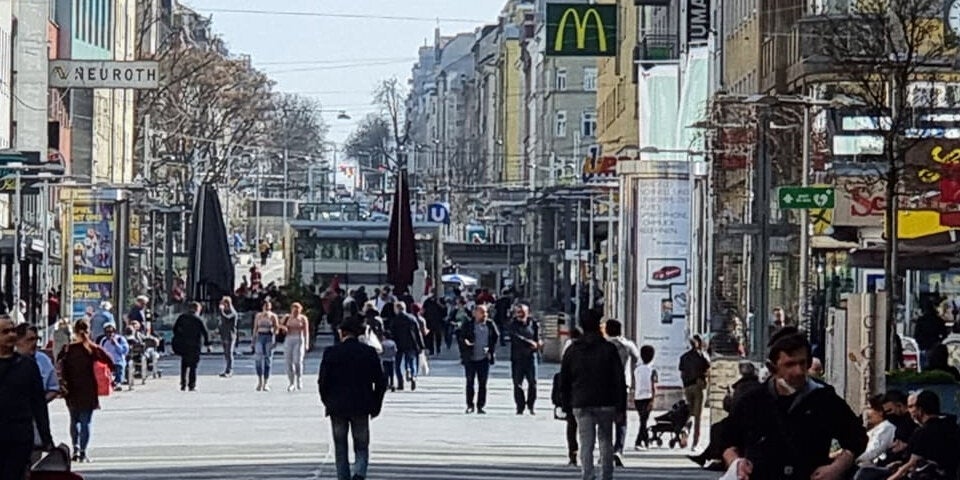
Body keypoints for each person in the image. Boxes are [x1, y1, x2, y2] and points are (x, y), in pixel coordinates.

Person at [719, 326, 867, 480]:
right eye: (790, 365)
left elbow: (857, 438)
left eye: (803, 363)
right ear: (772, 368)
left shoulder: (824, 398)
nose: (799, 371)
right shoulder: (752, 400)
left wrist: (836, 468)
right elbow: (726, 439)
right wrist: (736, 463)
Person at [559, 309, 626, 480]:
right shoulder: (609, 349)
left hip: (581, 401)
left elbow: (564, 379)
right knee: (606, 441)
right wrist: (621, 407)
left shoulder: (573, 350)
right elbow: (619, 379)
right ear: (598, 325)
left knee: (586, 442)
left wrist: (566, 405)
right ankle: (606, 475)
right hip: (606, 401)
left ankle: (588, 475)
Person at [318, 317, 387, 480]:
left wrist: (327, 401)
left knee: (340, 446)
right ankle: (359, 473)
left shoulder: (331, 352)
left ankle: (343, 476)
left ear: (342, 332)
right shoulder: (368, 352)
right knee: (361, 445)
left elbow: (323, 381)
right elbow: (381, 381)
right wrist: (376, 404)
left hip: (337, 406)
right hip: (362, 405)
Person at [0, 316, 54, 479]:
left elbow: (38, 404)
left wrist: (46, 438)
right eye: (5, 332)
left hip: (19, 437)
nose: (11, 335)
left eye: (13, 331)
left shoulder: (27, 365)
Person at [58, 319, 113, 463]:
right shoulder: (91, 348)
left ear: (74, 331)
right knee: (85, 421)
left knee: (74, 419)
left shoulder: (67, 349)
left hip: (71, 389)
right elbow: (110, 361)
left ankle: (75, 449)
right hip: (88, 389)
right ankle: (83, 452)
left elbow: (58, 362)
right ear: (89, 330)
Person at [886, 390, 960, 480]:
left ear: (920, 410)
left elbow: (912, 464)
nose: (910, 411)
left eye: (912, 407)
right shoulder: (952, 426)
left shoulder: (923, 432)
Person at [605, 318, 639, 466]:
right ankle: (618, 449)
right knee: (621, 419)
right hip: (623, 385)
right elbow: (637, 358)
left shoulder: (604, 345)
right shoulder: (627, 345)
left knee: (605, 419)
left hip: (605, 385)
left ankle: (606, 451)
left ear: (607, 330)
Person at [458, 304, 500, 414]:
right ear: (475, 313)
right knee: (470, 382)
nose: (484, 314)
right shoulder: (468, 324)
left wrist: (491, 349)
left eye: (485, 312)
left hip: (484, 358)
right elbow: (461, 337)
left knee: (483, 383)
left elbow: (496, 336)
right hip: (471, 358)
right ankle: (470, 405)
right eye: (481, 312)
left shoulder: (490, 324)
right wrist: (465, 343)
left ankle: (480, 406)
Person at [509, 304, 541, 415]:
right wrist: (530, 343)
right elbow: (516, 337)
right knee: (518, 383)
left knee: (533, 383)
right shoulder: (513, 325)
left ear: (527, 313)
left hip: (531, 357)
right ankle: (520, 406)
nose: (520, 314)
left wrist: (539, 342)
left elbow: (538, 336)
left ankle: (531, 405)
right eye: (518, 312)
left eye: (522, 312)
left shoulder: (534, 324)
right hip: (518, 358)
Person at [678, 336, 710, 448]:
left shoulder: (684, 357)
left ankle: (685, 429)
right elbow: (708, 367)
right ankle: (695, 443)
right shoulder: (702, 356)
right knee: (698, 416)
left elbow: (682, 373)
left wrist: (685, 385)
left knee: (690, 413)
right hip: (699, 387)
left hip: (687, 387)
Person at [15, 324, 59, 403]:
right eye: (30, 339)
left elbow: (53, 388)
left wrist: (40, 403)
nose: (34, 343)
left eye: (37, 339)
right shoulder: (9, 361)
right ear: (18, 340)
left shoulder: (43, 360)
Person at [172, 302, 210, 392]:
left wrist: (179, 337)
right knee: (193, 366)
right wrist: (207, 344)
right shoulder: (198, 319)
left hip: (184, 344)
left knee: (184, 365)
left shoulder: (182, 318)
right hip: (195, 345)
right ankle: (191, 385)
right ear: (197, 309)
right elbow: (205, 332)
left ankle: (183, 383)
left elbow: (175, 329)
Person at [390, 301, 425, 391]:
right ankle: (412, 375)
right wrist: (421, 345)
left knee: (397, 365)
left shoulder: (395, 320)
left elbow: (392, 333)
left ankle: (400, 383)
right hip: (411, 344)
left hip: (398, 344)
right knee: (411, 361)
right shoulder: (412, 318)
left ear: (397, 309)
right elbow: (418, 333)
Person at [562, 326, 583, 466]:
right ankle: (587, 453)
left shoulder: (569, 350)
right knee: (588, 427)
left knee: (572, 425)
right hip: (588, 395)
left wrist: (563, 401)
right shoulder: (593, 349)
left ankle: (573, 452)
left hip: (572, 395)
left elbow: (564, 376)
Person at [633, 345, 657, 451]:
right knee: (643, 421)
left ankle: (646, 441)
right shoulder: (652, 370)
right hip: (647, 397)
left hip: (638, 398)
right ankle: (638, 442)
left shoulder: (637, 369)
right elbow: (653, 386)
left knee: (643, 420)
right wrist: (653, 400)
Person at [252, 300, 280, 391]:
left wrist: (275, 338)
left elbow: (277, 328)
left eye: (268, 306)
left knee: (268, 359)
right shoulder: (258, 316)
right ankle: (259, 381)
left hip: (269, 337)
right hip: (260, 336)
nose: (266, 307)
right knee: (258, 359)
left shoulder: (273, 316)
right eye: (265, 305)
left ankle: (266, 382)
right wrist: (253, 340)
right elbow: (255, 328)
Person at [283, 302, 310, 391]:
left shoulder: (303, 318)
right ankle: (291, 382)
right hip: (289, 339)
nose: (295, 313)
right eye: (294, 311)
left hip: (299, 339)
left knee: (297, 361)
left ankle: (299, 378)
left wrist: (306, 343)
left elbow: (306, 332)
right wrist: (284, 328)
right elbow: (279, 326)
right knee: (288, 362)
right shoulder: (287, 317)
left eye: (297, 311)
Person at [98, 322, 130, 388]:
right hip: (107, 361)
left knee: (119, 367)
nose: (110, 334)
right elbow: (101, 351)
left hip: (118, 361)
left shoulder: (120, 339)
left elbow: (124, 351)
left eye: (111, 331)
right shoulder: (103, 340)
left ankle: (118, 382)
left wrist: (116, 344)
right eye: (107, 332)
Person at [217, 296, 239, 377]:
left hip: (230, 335)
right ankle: (226, 369)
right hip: (224, 334)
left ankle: (230, 370)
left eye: (223, 303)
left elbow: (227, 319)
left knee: (229, 353)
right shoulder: (225, 312)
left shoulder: (232, 312)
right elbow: (222, 323)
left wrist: (221, 311)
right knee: (226, 353)